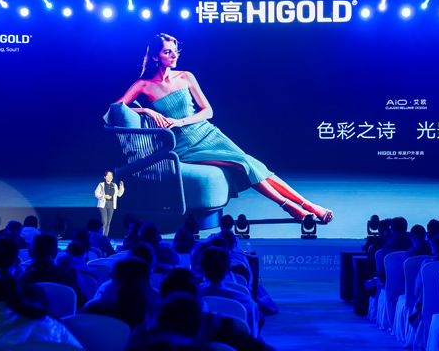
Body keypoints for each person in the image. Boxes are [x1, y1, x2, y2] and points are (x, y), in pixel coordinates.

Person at [116, 33, 333, 223]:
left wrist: (180, 121)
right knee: (243, 164)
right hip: (183, 146)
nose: (174, 56)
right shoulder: (143, 85)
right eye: (167, 52)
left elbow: (208, 111)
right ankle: (288, 206)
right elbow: (116, 109)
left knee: (253, 163)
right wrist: (147, 111)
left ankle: (308, 204)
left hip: (207, 133)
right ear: (155, 57)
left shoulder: (186, 76)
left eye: (175, 51)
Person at [94, 171, 125, 236]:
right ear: (105, 177)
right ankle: (101, 236)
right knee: (104, 221)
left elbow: (119, 194)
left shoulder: (114, 185)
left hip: (111, 205)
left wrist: (121, 186)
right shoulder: (101, 184)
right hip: (103, 204)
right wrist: (103, 196)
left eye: (111, 175)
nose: (110, 177)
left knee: (108, 222)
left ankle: (105, 237)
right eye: (108, 175)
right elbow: (96, 193)